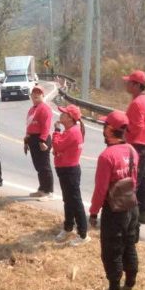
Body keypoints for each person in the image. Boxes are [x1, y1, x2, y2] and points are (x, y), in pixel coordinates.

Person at [88, 110, 140, 290]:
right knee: (129, 246)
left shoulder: (107, 156)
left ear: (110, 129)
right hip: (131, 206)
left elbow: (101, 190)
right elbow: (135, 181)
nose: (103, 129)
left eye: (104, 126)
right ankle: (130, 288)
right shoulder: (132, 151)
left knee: (112, 251)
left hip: (115, 210)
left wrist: (93, 212)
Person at [52, 104, 88, 245]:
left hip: (69, 170)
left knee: (75, 201)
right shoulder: (70, 131)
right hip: (65, 169)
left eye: (64, 114)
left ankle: (83, 234)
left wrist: (56, 130)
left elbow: (57, 145)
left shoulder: (73, 132)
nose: (61, 115)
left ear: (70, 118)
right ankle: (68, 227)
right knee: (68, 200)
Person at [123, 70, 145, 225]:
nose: (126, 84)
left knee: (133, 181)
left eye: (129, 82)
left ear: (136, 85)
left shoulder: (137, 103)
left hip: (138, 145)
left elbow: (136, 127)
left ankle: (130, 216)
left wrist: (123, 129)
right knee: (144, 179)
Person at [24, 85, 54, 199]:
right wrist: (26, 140)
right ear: (31, 95)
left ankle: (49, 191)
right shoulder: (32, 109)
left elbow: (46, 126)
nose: (36, 95)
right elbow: (29, 126)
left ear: (43, 95)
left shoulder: (45, 108)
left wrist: (42, 141)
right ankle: (42, 188)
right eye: (34, 93)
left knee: (44, 166)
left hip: (42, 139)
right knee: (38, 166)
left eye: (39, 93)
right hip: (32, 138)